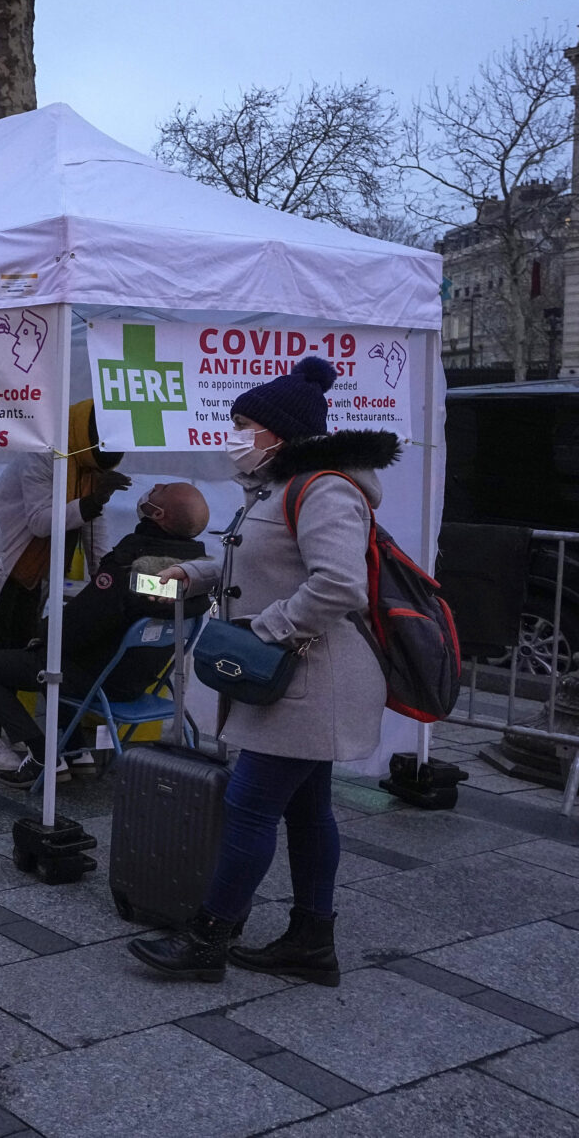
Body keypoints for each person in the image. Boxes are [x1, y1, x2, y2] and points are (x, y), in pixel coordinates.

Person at [130, 358, 392, 989]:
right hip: (295, 679)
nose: (235, 434)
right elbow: (257, 564)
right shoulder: (275, 490)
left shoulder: (323, 489)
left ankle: (207, 939)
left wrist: (265, 630)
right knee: (307, 813)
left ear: (278, 431)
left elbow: (338, 586)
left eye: (244, 422)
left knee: (248, 806)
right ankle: (310, 941)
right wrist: (192, 574)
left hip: (310, 681)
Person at [0, 482, 212, 787]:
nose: (154, 485)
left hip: (97, 681)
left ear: (157, 513)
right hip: (138, 680)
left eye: (161, 489)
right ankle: (75, 752)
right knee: (56, 659)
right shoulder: (196, 576)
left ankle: (41, 753)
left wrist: (40, 633)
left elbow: (76, 627)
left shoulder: (127, 568)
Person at [0, 400, 130, 770]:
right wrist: (92, 501)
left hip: (33, 573)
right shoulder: (43, 457)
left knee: (16, 649)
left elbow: (92, 525)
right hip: (4, 565)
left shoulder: (88, 469)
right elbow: (41, 522)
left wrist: (106, 570)